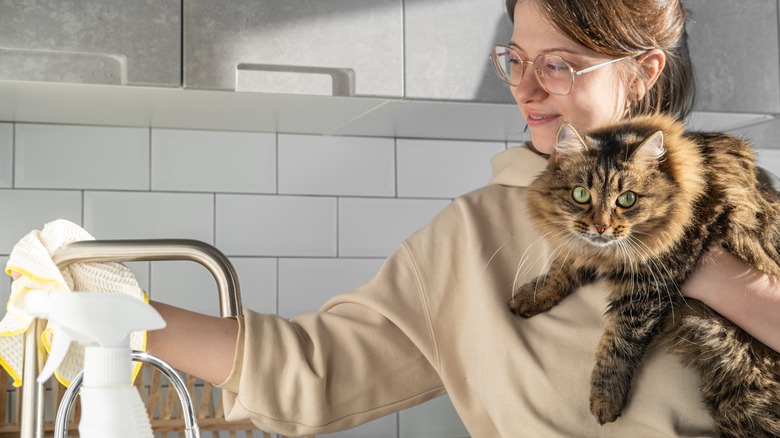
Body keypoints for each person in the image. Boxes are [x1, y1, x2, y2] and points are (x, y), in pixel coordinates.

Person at [13, 0, 780, 436]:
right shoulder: (472, 238)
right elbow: (318, 369)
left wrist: (710, 271)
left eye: (561, 64)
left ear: (643, 70)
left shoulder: (738, 192)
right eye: (515, 60)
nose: (527, 87)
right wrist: (123, 313)